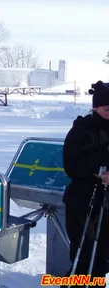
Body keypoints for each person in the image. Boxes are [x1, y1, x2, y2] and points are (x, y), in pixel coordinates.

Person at [62, 80, 109, 285]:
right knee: (84, 253)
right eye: (107, 108)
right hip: (83, 201)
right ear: (95, 107)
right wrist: (97, 170)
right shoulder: (82, 129)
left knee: (103, 256)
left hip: (106, 203)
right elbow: (71, 166)